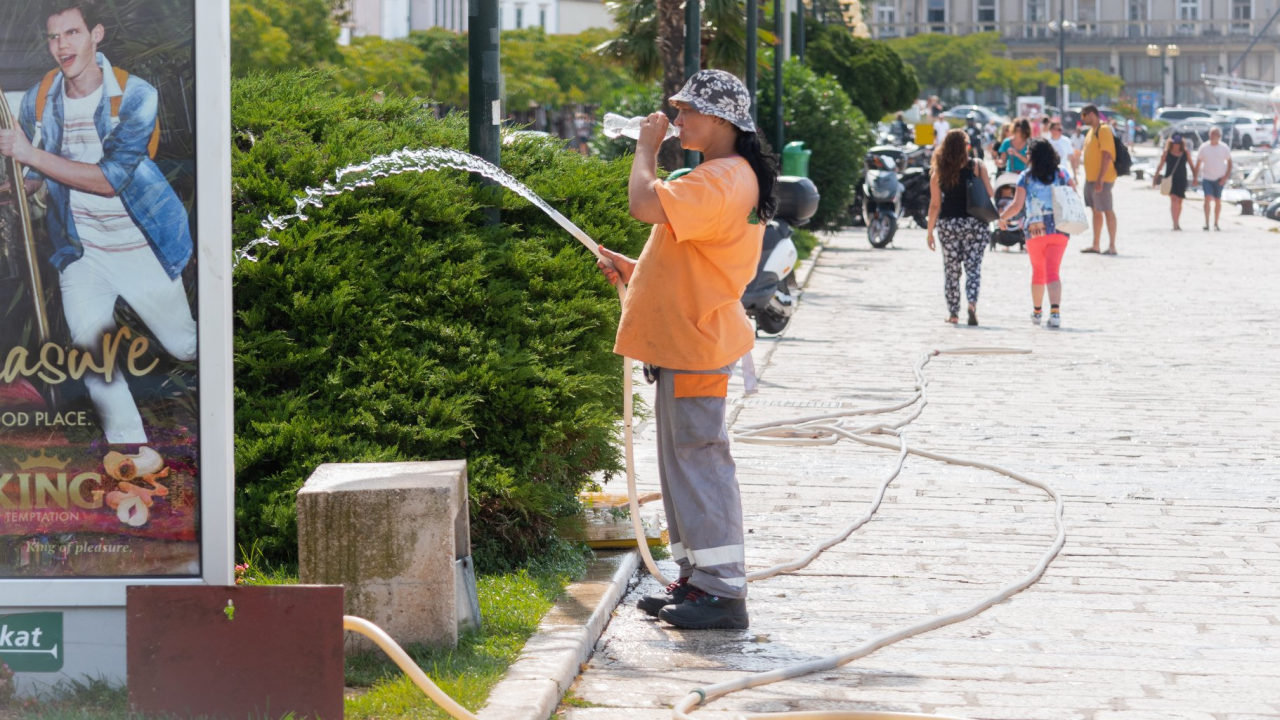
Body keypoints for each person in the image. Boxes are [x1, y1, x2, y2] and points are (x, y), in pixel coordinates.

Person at [595, 69, 776, 631]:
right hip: (687, 339)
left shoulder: (721, 178)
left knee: (699, 463)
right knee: (682, 465)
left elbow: (645, 204)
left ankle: (723, 593)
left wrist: (646, 149)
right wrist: (635, 271)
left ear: (721, 120)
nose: (677, 121)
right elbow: (692, 256)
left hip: (696, 343)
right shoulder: (719, 176)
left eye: (687, 112)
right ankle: (698, 581)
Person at [0, 0, 197, 444]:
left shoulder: (136, 95)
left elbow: (110, 182)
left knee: (185, 346)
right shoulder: (40, 96)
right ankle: (132, 452)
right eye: (53, 36)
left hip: (141, 244)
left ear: (97, 35)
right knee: (93, 359)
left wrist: (28, 154)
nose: (61, 45)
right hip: (82, 252)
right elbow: (37, 171)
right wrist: (17, 186)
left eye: (71, 33)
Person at [997, 139, 1076, 329]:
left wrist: (1003, 218)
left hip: (1035, 231)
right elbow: (1073, 195)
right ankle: (1055, 312)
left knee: (1038, 272)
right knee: (1053, 271)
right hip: (1060, 229)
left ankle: (1037, 311)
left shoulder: (1026, 177)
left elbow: (1017, 205)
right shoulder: (1062, 173)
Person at [927, 129, 994, 326]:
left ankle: (954, 313)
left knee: (952, 270)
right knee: (973, 268)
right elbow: (989, 192)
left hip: (949, 224)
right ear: (966, 146)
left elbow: (935, 205)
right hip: (975, 223)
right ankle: (972, 304)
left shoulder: (939, 171)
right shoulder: (977, 166)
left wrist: (929, 232)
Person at [1080, 104, 1118, 255]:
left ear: (1091, 114)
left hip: (1103, 179)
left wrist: (1100, 178)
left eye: (1084, 116)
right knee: (1095, 211)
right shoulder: (1091, 131)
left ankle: (1112, 245)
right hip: (1091, 179)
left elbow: (1106, 155)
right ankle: (1095, 244)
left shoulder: (1103, 130)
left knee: (1107, 209)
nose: (1082, 120)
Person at [1196, 126, 1233, 231]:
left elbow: (1230, 163)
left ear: (1219, 136)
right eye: (1212, 134)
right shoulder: (1204, 147)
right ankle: (1207, 223)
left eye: (1215, 134)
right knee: (1207, 198)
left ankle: (1216, 223)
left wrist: (1225, 177)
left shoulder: (1224, 148)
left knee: (1217, 200)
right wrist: (1195, 177)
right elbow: (1198, 163)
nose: (1213, 136)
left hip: (1219, 178)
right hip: (1207, 177)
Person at [1153, 133, 1193, 231]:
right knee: (1174, 199)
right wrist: (1155, 177)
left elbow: (1192, 165)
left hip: (1181, 178)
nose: (1176, 145)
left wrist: (1195, 177)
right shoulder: (1166, 152)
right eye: (1175, 143)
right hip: (1170, 179)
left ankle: (1177, 221)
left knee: (1180, 200)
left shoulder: (1185, 152)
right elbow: (1161, 165)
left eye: (1178, 143)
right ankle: (1175, 223)